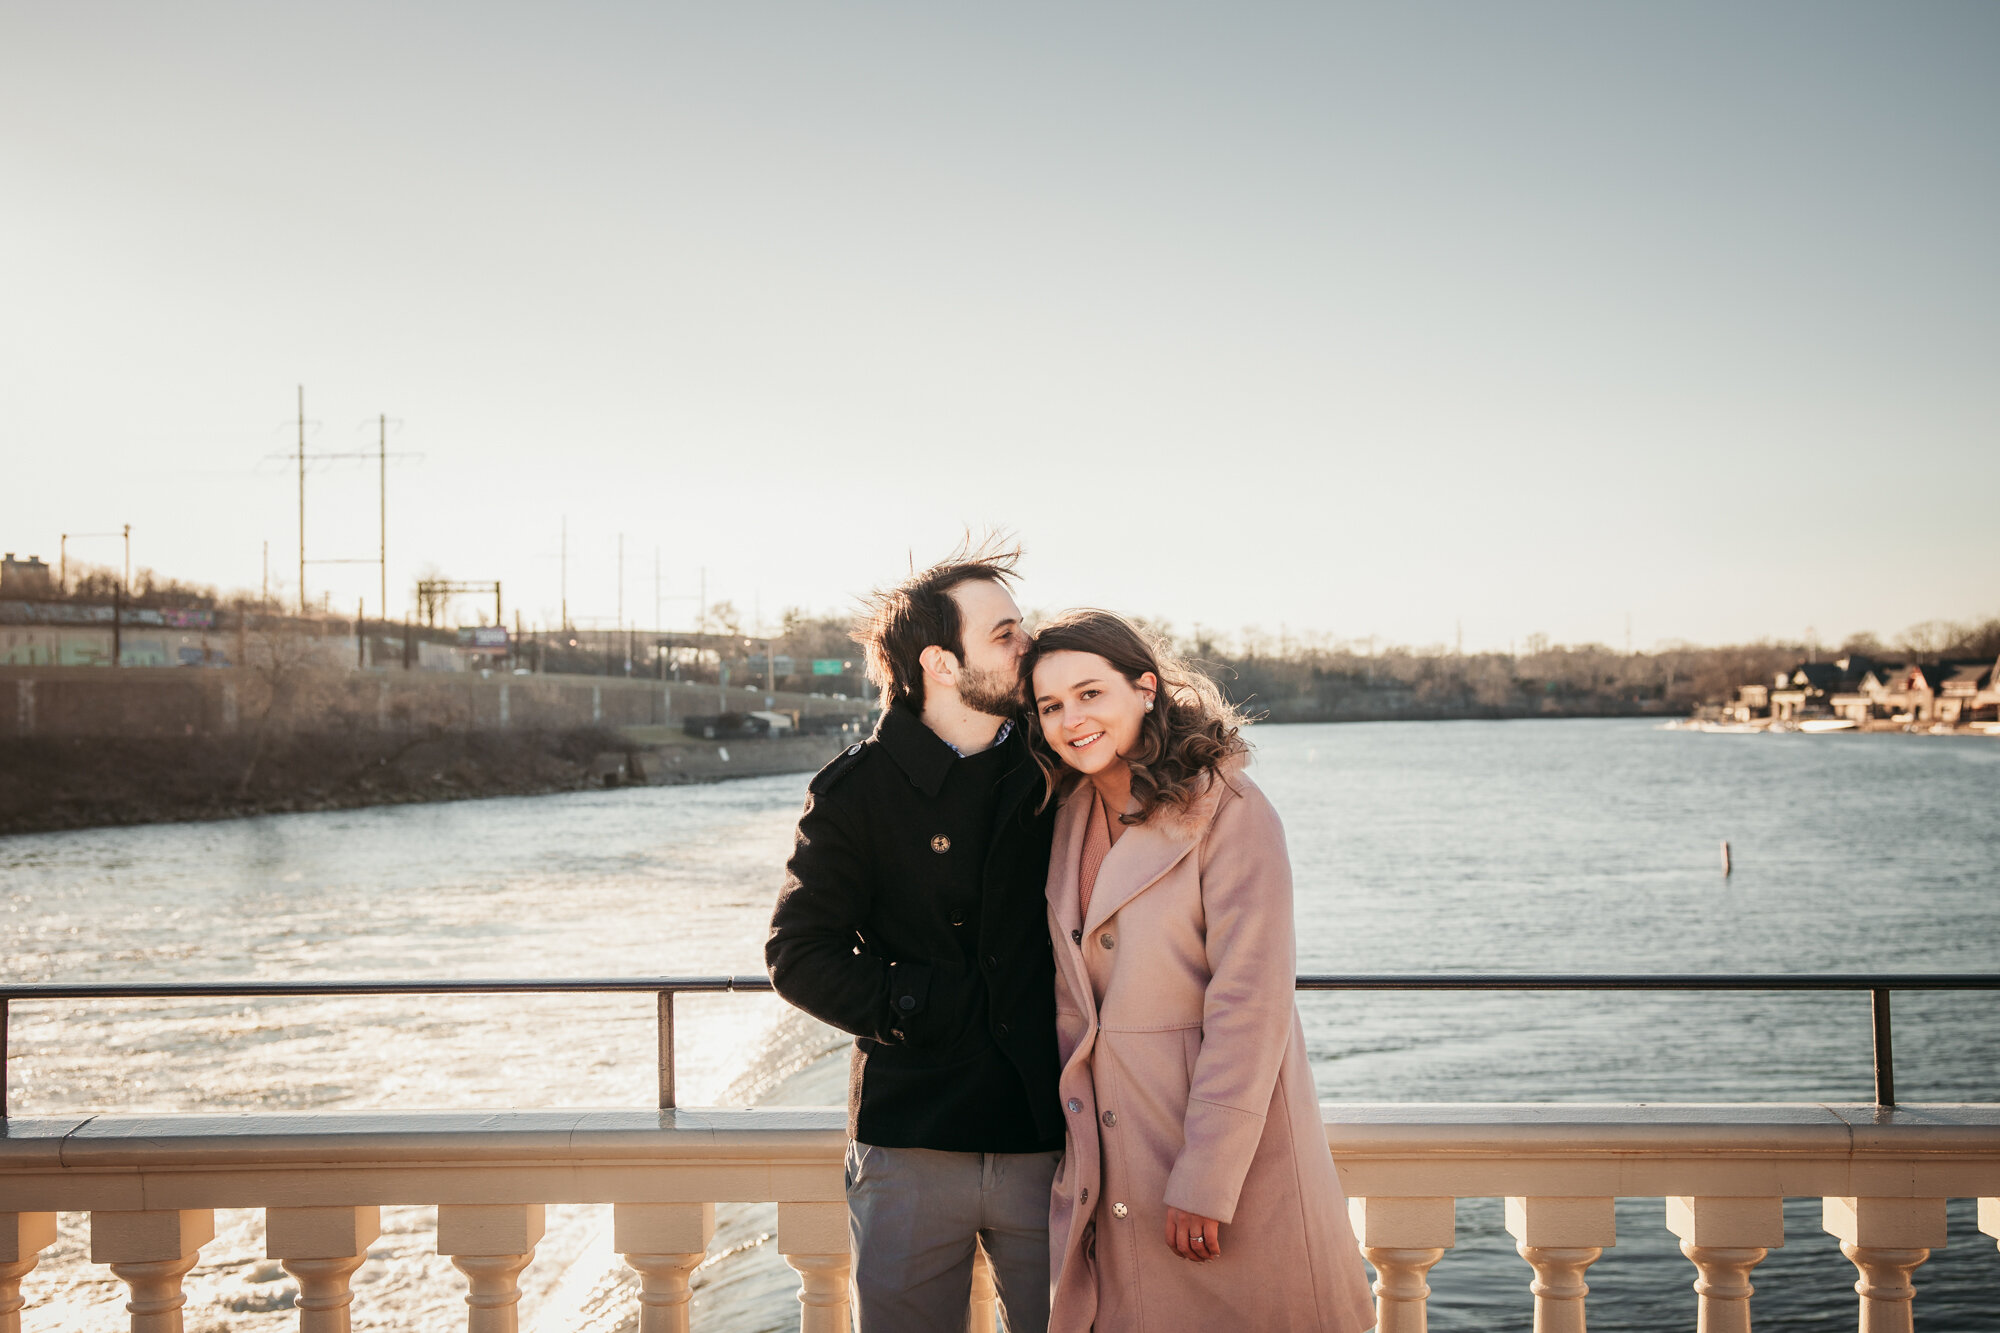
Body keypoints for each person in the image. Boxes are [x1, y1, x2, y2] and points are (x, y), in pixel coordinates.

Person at [1026, 609, 1376, 1333]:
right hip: (1113, 1160)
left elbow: (1251, 1003)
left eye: (1091, 693)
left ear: (1145, 687)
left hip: (1223, 1165)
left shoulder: (1232, 811)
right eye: (1051, 705)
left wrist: (1207, 1176)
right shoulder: (1064, 815)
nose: (1072, 719)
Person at [766, 541, 1064, 1333]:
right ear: (940, 659)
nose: (1027, 645)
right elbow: (797, 952)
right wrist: (916, 1001)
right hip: (912, 1139)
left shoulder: (1054, 768)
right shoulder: (855, 791)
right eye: (1004, 633)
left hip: (1051, 1136)